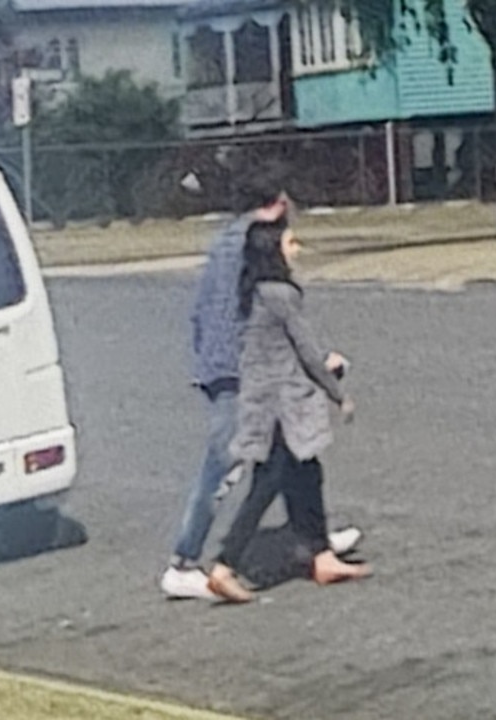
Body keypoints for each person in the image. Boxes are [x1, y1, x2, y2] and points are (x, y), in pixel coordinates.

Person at [159, 188, 361, 600]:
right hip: (241, 375)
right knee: (231, 463)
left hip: (231, 369)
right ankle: (185, 562)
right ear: (279, 205)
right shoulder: (252, 250)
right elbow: (260, 323)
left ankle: (315, 541)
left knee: (299, 457)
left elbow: (203, 314)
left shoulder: (226, 242)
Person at [206, 219, 371, 603]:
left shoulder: (251, 293)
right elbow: (307, 351)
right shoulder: (281, 294)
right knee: (267, 484)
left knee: (307, 473)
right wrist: (338, 393)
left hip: (265, 399)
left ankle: (320, 554)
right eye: (290, 243)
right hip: (283, 406)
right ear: (272, 252)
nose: (296, 250)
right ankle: (224, 565)